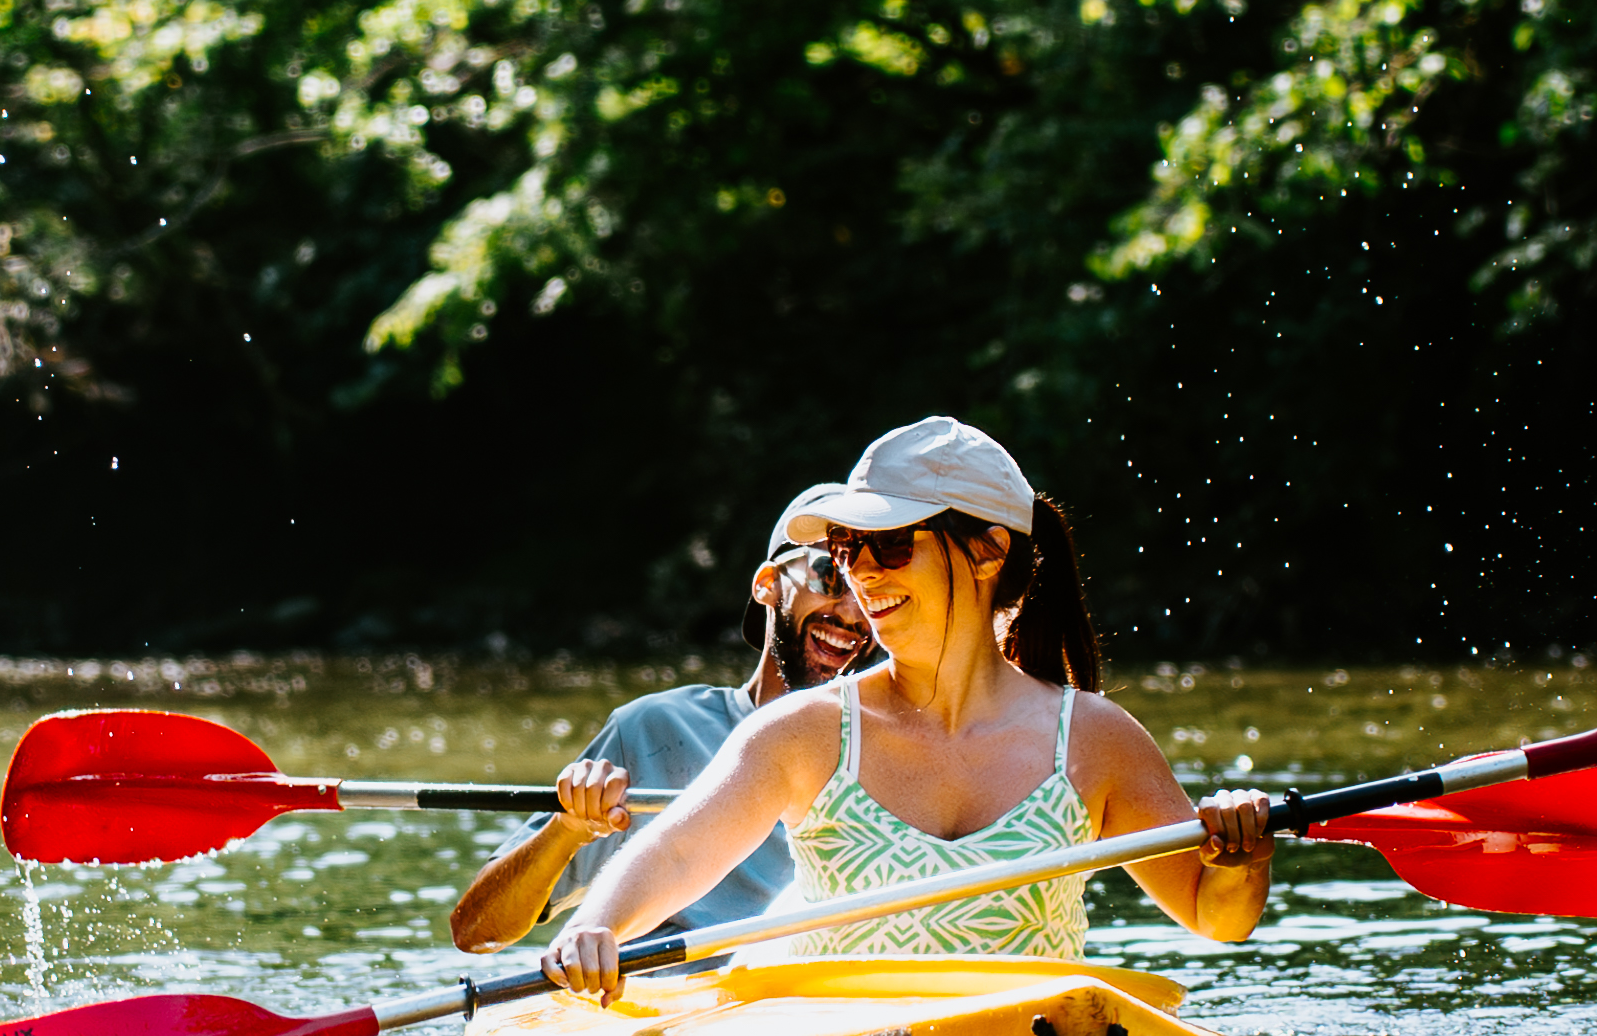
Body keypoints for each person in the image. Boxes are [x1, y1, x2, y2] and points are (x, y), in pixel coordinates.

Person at [546, 417, 1277, 999]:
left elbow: (1216, 916)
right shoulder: (800, 734)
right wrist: (594, 927)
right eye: (845, 546)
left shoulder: (1094, 740)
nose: (859, 572)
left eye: (890, 545)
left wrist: (1241, 858)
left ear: (989, 550)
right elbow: (674, 850)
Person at [521, 494, 876, 933]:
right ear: (767, 583)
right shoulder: (654, 728)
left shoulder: (892, 753)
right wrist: (567, 829)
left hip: (803, 991)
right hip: (662, 992)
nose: (851, 613)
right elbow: (481, 931)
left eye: (870, 592)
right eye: (829, 578)